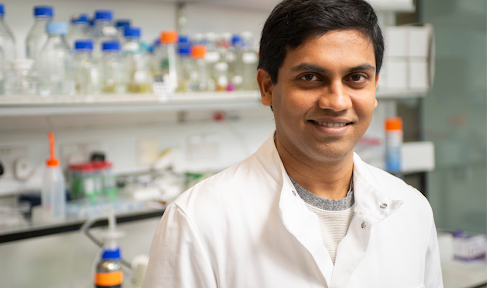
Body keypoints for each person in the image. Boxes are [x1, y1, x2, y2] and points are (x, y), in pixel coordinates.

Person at [143, 0, 443, 287]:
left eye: (356, 77)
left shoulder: (412, 210)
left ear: (375, 88)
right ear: (267, 87)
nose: (337, 102)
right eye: (310, 77)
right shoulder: (197, 220)